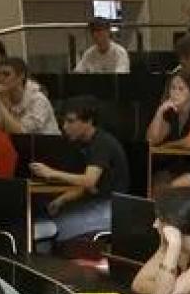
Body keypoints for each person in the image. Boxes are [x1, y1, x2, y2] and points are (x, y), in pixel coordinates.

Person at [29, 97, 128, 246]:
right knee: (43, 222)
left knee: (52, 227)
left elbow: (89, 181)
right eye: (64, 121)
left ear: (88, 121)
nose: (65, 127)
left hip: (111, 209)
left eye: (71, 121)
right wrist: (62, 200)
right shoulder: (85, 144)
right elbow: (88, 186)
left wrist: (51, 173)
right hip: (97, 203)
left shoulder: (102, 143)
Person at [0, 57, 59, 136]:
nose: (1, 78)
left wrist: (0, 104)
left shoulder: (38, 99)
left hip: (45, 142)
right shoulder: (2, 96)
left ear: (21, 76)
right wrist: (3, 103)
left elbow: (21, 132)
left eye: (6, 74)